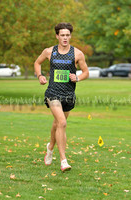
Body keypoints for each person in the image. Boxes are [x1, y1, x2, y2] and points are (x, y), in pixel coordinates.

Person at [34, 22, 89, 172]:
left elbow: (85, 72)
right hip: (52, 92)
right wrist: (40, 76)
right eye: (62, 35)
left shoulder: (77, 53)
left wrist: (77, 78)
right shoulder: (49, 51)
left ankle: (50, 147)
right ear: (57, 36)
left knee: (57, 124)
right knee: (62, 123)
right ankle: (63, 160)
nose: (65, 38)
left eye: (67, 35)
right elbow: (37, 63)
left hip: (68, 94)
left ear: (70, 36)